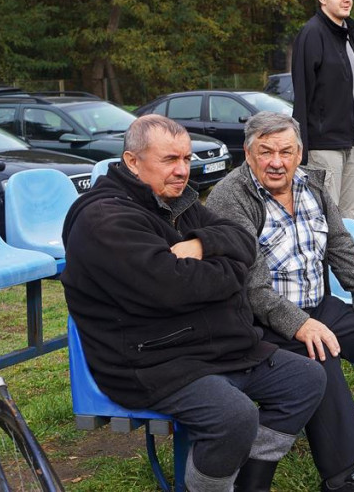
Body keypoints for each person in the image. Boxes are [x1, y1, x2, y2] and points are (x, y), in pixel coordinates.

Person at [62, 115, 326, 492]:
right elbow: (173, 287)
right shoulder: (104, 219)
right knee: (233, 418)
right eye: (170, 160)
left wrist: (202, 246)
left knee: (305, 379)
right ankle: (208, 486)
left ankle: (251, 478)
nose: (182, 170)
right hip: (150, 360)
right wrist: (230, 270)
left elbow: (243, 240)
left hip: (208, 344)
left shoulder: (176, 200)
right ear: (132, 162)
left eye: (186, 159)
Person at [209, 112, 354, 492]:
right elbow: (251, 287)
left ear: (299, 152)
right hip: (262, 320)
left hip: (318, 302)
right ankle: (342, 475)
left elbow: (340, 245)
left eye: (285, 151)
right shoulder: (231, 197)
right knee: (320, 354)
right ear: (248, 155)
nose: (276, 162)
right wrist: (299, 323)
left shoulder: (312, 182)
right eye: (265, 152)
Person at [291, 0, 354, 220]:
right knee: (326, 217)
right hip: (324, 145)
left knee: (349, 218)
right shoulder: (312, 33)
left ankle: (346, 261)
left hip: (353, 142)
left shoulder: (347, 33)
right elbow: (303, 94)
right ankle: (322, 262)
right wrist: (301, 147)